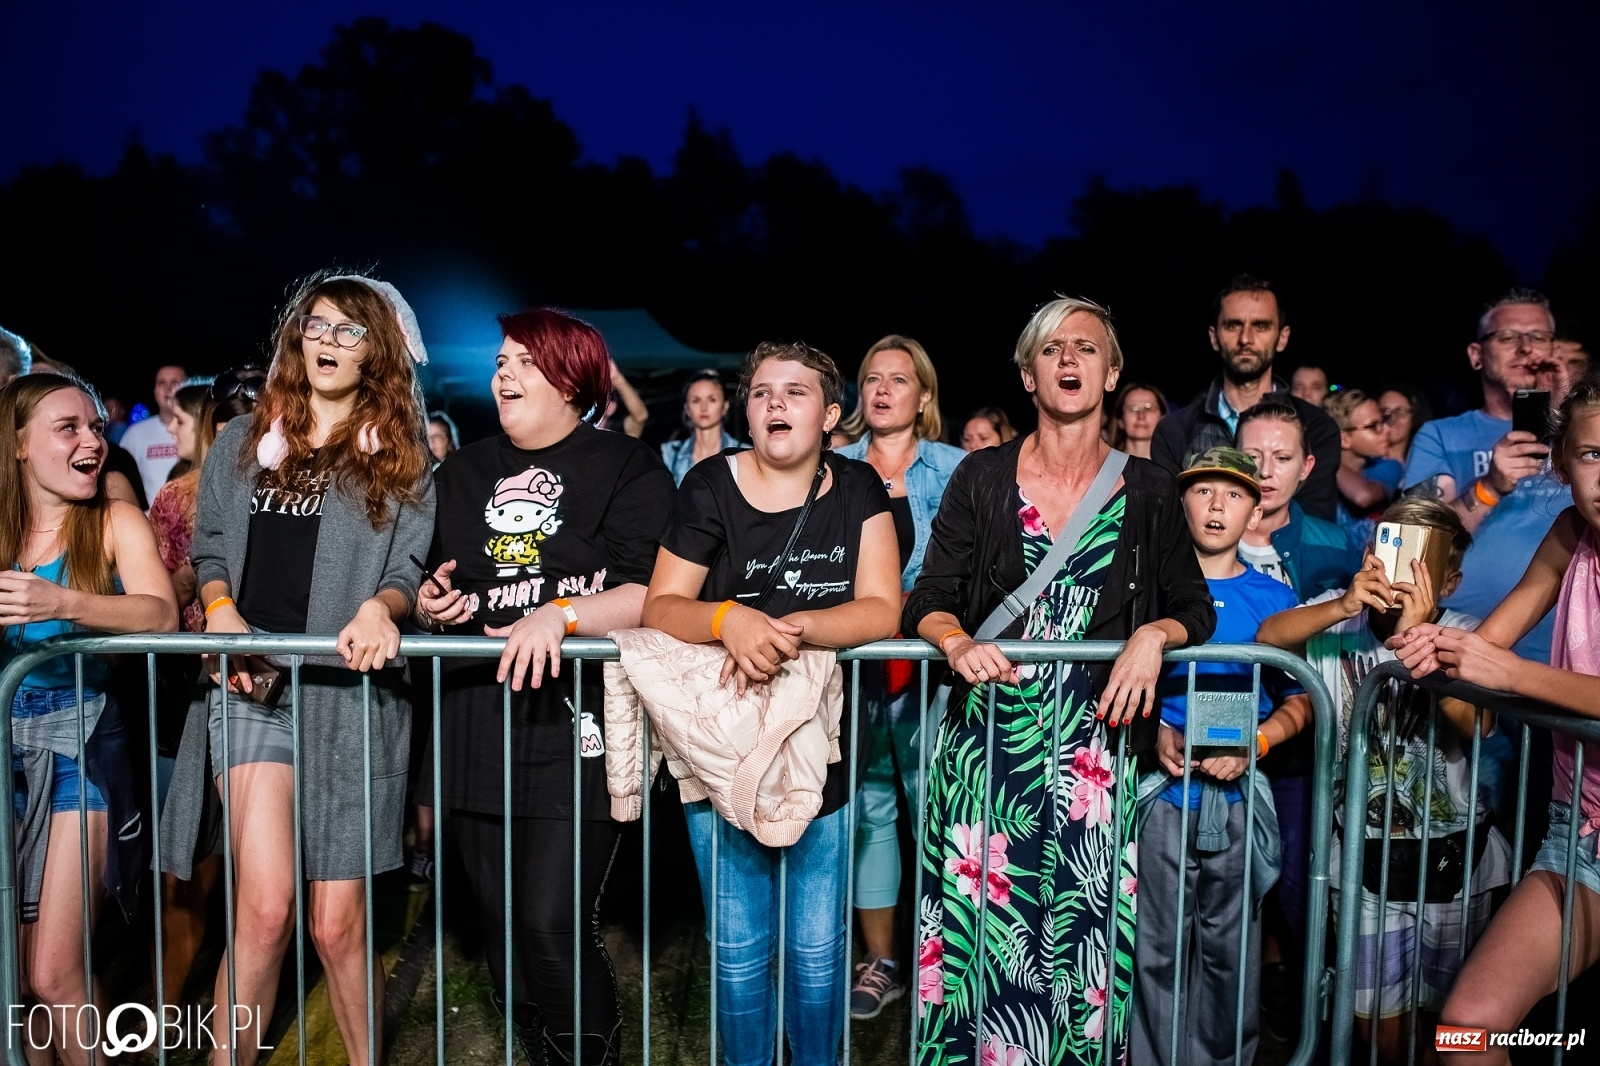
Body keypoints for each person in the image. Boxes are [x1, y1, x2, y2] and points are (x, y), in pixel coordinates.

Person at [906, 297, 1215, 1064]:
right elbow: (928, 597)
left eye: (1086, 347)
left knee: (1083, 942)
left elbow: (1194, 607)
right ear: (1028, 374)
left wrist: (1153, 635)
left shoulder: (1149, 488)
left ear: (1111, 374)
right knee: (985, 946)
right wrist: (953, 640)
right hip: (988, 752)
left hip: (1094, 759)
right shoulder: (981, 476)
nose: (1069, 359)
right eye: (1051, 349)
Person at [166, 273, 435, 1065]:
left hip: (347, 696)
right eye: (317, 324)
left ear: (376, 351)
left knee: (337, 926)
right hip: (250, 687)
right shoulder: (243, 438)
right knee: (263, 911)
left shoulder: (400, 453)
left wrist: (381, 607)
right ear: (296, 335)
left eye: (350, 330)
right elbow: (212, 547)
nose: (328, 341)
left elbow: (408, 567)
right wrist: (220, 609)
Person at [414, 308, 675, 1063]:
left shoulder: (626, 466)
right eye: (501, 361)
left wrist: (559, 616)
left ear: (570, 380)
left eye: (526, 362)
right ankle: (544, 1046)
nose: (505, 373)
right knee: (502, 931)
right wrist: (431, 604)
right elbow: (428, 581)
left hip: (574, 722)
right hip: (475, 716)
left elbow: (652, 593)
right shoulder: (459, 473)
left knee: (549, 924)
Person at [642, 339, 900, 1066]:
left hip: (824, 744)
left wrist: (793, 628)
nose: (775, 403)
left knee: (817, 953)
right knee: (738, 950)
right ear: (746, 410)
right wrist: (729, 620)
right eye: (760, 392)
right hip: (724, 748)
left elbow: (883, 608)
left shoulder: (858, 486)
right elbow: (662, 606)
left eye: (795, 391)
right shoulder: (708, 484)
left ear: (831, 415)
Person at [1389, 374, 1600, 1065]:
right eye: (1593, 454)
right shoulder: (1570, 533)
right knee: (1466, 1029)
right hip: (1580, 835)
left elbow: (1502, 669)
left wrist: (1506, 674)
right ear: (1562, 464)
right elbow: (1486, 649)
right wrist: (1432, 641)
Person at [1258, 497, 1507, 1064]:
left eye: (1421, 564)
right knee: (1377, 1029)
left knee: (1452, 1023)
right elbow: (1269, 637)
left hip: (1454, 858)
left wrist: (1419, 636)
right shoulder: (1337, 617)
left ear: (1449, 581)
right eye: (1391, 552)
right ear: (1370, 554)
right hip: (1362, 859)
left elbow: (1480, 723)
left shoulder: (1466, 632)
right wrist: (1344, 602)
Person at [1, 373, 178, 1063]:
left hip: (81, 738)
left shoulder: (112, 519)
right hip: (7, 744)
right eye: (68, 427)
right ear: (19, 444)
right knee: (20, 979)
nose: (92, 441)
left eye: (96, 427)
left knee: (55, 973)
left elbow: (160, 614)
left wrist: (63, 604)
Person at [1132, 447, 1310, 1066]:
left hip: (1236, 798)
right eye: (1203, 490)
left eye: (1233, 494)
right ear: (1181, 502)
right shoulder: (1151, 590)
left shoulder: (1274, 597)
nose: (1216, 504)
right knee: (1156, 948)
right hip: (1160, 796)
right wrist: (1154, 728)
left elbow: (1301, 701)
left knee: (1231, 949)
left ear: (1255, 512)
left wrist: (1254, 744)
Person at [833, 334, 966, 1018]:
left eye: (899, 380)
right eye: (872, 379)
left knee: (940, 810)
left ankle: (951, 964)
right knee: (871, 810)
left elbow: (975, 567)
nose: (882, 390)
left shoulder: (959, 468)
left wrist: (913, 613)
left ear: (924, 396)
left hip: (933, 670)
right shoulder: (833, 467)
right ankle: (881, 962)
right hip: (856, 669)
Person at [1401, 288, 1570, 668]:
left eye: (1538, 336)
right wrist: (1488, 487)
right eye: (1508, 337)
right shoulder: (1441, 435)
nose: (1526, 349)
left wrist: (1566, 412)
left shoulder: (1581, 433)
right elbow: (1415, 545)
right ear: (1476, 355)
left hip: (1569, 650)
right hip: (1463, 649)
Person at [1151, 275, 1342, 521]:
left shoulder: (1317, 428)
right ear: (1214, 337)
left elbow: (1315, 523)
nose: (1245, 339)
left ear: (1282, 337)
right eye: (1233, 325)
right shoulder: (1175, 431)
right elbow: (1169, 524)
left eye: (1260, 326)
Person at [1325, 389, 1405, 547]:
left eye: (1383, 421)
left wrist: (1325, 456)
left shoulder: (1390, 467)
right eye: (1374, 426)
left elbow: (1363, 496)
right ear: (1345, 439)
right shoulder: (1318, 474)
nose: (1387, 430)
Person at [119, 364, 188, 504]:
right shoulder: (135, 433)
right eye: (162, 383)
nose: (168, 388)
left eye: (175, 382)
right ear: (155, 392)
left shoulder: (199, 430)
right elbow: (121, 476)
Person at [660, 369, 741, 485]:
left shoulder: (745, 453)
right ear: (687, 408)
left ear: (725, 406)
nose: (704, 408)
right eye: (696, 400)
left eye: (712, 400)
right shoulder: (670, 455)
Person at [1110, 382, 1168, 459]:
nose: (1141, 416)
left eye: (1149, 408)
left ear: (1162, 418)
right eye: (1134, 408)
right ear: (1120, 420)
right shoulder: (1104, 464)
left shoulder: (1177, 464)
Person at [1378, 386, 1431, 466]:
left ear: (1413, 418)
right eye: (1385, 412)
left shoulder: (1425, 463)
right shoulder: (1366, 466)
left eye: (1400, 412)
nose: (1392, 418)